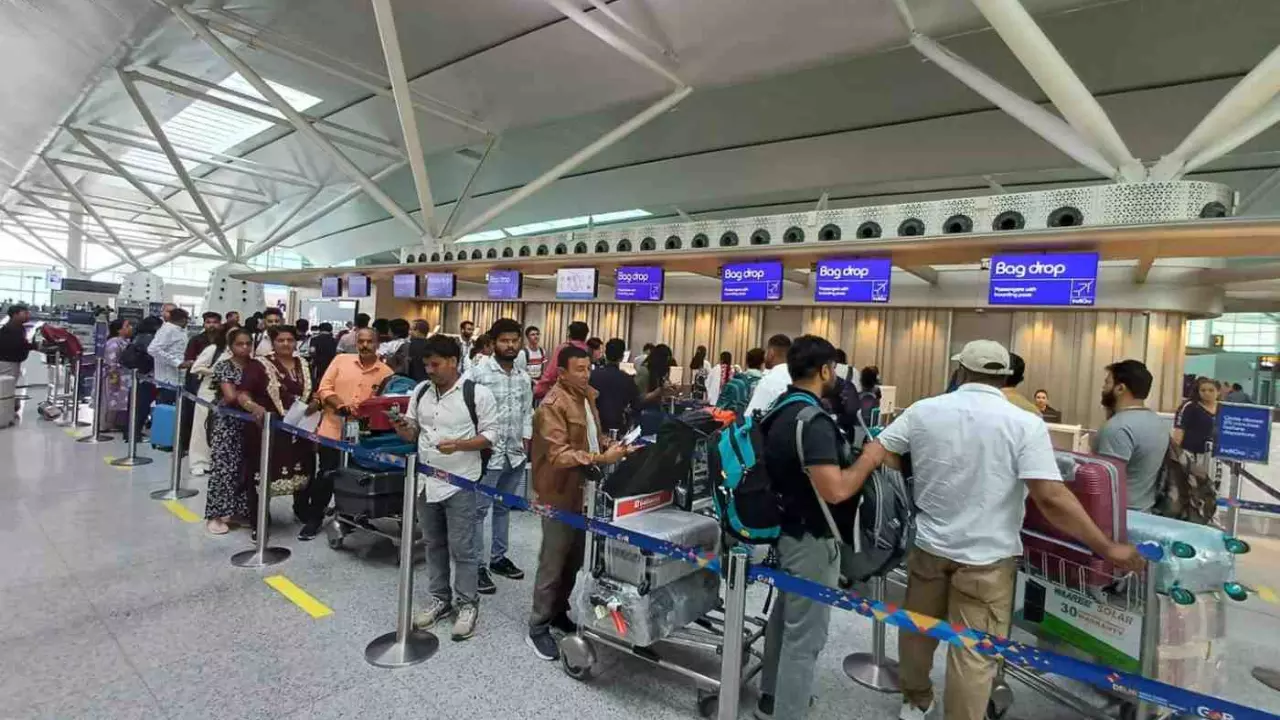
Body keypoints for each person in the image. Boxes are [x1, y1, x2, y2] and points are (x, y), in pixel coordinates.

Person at [844, 340, 1143, 720]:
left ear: (962, 372)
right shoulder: (1025, 423)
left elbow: (880, 449)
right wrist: (1106, 546)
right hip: (988, 559)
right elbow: (1050, 496)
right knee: (973, 655)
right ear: (1003, 377)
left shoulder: (925, 410)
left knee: (917, 631)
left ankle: (916, 701)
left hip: (931, 547)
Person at [752, 335, 855, 720]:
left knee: (784, 616)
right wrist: (869, 458)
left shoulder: (781, 407)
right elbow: (836, 489)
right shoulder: (812, 421)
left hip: (784, 530)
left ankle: (770, 696)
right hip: (810, 539)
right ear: (825, 370)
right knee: (805, 638)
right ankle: (789, 711)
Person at [527, 345, 632, 661]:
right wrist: (601, 456)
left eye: (589, 368)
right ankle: (537, 625)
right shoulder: (552, 405)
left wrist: (607, 444)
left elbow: (588, 437)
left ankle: (559, 611)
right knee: (553, 561)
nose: (586, 374)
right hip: (559, 492)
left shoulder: (586, 396)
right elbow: (558, 454)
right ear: (561, 373)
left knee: (574, 559)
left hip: (583, 492)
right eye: (580, 369)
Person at [391, 334, 497, 641]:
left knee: (463, 548)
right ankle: (440, 598)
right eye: (426, 365)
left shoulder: (477, 395)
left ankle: (467, 603)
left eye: (435, 364)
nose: (430, 370)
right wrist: (403, 427)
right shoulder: (421, 391)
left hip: (461, 481)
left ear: (453, 362)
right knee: (433, 544)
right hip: (426, 481)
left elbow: (491, 436)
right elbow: (413, 434)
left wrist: (460, 445)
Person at [469, 318, 534, 594]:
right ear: (493, 342)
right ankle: (475, 565)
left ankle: (497, 558)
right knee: (478, 510)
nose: (510, 346)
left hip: (515, 454)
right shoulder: (478, 372)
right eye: (504, 341)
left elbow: (527, 411)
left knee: (504, 507)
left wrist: (527, 440)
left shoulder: (522, 376)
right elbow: (466, 409)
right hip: (488, 454)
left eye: (514, 341)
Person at [313, 327, 393, 539]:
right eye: (361, 341)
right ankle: (315, 518)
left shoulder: (386, 373)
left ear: (377, 344)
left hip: (361, 434)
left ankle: (352, 517)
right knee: (326, 474)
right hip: (331, 427)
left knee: (354, 477)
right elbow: (324, 388)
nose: (364, 346)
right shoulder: (341, 361)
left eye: (369, 342)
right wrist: (341, 406)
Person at [236, 325, 315, 538]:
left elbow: (312, 393)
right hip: (268, 429)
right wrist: (253, 407)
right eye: (281, 340)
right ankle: (259, 520)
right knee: (262, 474)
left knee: (305, 470)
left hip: (300, 428)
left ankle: (301, 509)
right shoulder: (259, 365)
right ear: (273, 342)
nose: (286, 344)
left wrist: (316, 404)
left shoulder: (304, 364)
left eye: (290, 340)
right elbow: (242, 393)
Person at [1095, 360, 1169, 512]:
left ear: (1120, 388)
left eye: (1107, 383)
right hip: (1145, 511)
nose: (1103, 388)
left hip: (1118, 516)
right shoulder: (1157, 423)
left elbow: (1105, 483)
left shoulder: (1118, 428)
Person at [204, 328, 254, 535]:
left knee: (244, 471)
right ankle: (215, 516)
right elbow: (231, 396)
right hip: (226, 426)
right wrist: (248, 396)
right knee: (223, 469)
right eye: (239, 344)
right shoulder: (224, 366)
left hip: (249, 425)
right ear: (230, 346)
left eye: (248, 343)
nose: (244, 348)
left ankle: (237, 511)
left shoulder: (255, 366)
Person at [188, 322, 237, 476]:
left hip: (228, 394)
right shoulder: (214, 349)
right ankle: (198, 461)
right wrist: (216, 372)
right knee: (202, 427)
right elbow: (196, 367)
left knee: (220, 429)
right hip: (208, 392)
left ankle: (216, 460)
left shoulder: (240, 352)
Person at [590, 338, 638, 434]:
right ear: (622, 356)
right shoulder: (627, 379)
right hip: (617, 427)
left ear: (605, 354)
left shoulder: (592, 375)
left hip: (594, 425)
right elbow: (636, 404)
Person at [1174, 376, 1219, 477]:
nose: (1207, 393)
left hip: (1214, 456)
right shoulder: (1190, 406)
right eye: (1203, 390)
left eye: (1211, 390)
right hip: (1191, 454)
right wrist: (1175, 454)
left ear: (1218, 392)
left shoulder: (1223, 408)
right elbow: (1179, 431)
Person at [534, 320, 589, 401]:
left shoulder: (563, 348)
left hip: (565, 394)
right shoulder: (588, 350)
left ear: (569, 334)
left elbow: (551, 373)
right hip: (584, 395)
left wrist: (539, 390)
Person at [148, 307, 191, 405]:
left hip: (177, 380)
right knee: (165, 411)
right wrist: (177, 363)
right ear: (184, 319)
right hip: (167, 381)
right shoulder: (168, 329)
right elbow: (153, 349)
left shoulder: (180, 331)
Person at [745, 334, 793, 415]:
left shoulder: (769, 381)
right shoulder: (796, 378)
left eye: (766, 352)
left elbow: (750, 417)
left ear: (771, 353)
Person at [100, 319, 133, 432]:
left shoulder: (125, 341)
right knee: (111, 400)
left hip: (124, 378)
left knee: (119, 401)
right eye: (127, 326)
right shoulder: (114, 343)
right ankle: (106, 424)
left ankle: (117, 423)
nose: (130, 328)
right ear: (119, 330)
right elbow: (111, 363)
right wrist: (114, 379)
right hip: (115, 377)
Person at [716, 347, 765, 416]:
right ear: (762, 363)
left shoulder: (734, 380)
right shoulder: (762, 383)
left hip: (728, 422)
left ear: (747, 362)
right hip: (748, 424)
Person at [0, 304, 36, 382]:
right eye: (25, 313)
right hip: (7, 364)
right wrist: (35, 346)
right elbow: (17, 345)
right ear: (15, 315)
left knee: (8, 388)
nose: (28, 316)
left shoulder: (18, 327)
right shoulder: (10, 329)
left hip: (12, 363)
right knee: (5, 388)